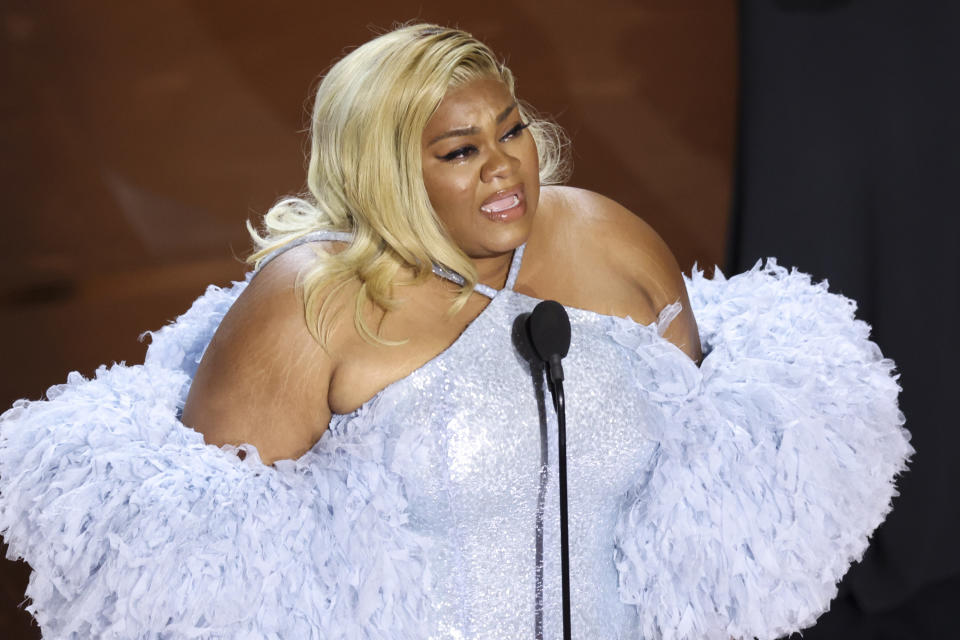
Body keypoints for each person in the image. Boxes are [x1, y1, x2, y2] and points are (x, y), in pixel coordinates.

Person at [0, 24, 910, 640]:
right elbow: (212, 571)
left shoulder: (602, 238)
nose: (506, 167)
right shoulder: (313, 303)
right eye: (459, 151)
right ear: (387, 170)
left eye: (510, 131)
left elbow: (698, 490)